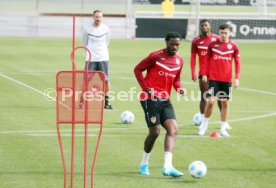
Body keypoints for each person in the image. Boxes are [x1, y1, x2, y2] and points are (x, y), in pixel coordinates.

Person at [134, 32, 185, 177]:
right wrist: (145, 88)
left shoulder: (179, 61)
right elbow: (137, 69)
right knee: (155, 131)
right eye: (172, 44)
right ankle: (144, 163)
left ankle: (167, 166)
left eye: (177, 44)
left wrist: (179, 88)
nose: (175, 47)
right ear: (166, 42)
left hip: (165, 99)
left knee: (173, 129)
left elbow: (176, 79)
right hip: (149, 98)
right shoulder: (155, 56)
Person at [198, 23, 241, 137]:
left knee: (225, 103)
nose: (223, 35)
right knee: (211, 102)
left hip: (226, 80)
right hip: (214, 78)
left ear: (229, 33)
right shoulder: (212, 45)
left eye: (225, 33)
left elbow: (237, 63)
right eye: (221, 33)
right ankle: (204, 125)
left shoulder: (234, 47)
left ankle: (223, 128)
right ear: (218, 33)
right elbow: (206, 60)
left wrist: (237, 78)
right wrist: (204, 74)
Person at [190, 19, 228, 126]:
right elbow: (193, 57)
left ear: (210, 26)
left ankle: (223, 121)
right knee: (205, 96)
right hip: (204, 73)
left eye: (206, 25)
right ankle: (202, 119)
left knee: (221, 97)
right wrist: (193, 72)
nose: (204, 27)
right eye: (202, 26)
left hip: (217, 73)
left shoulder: (217, 38)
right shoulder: (196, 41)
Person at [83, 9, 113, 109]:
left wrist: (101, 53)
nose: (98, 19)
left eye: (100, 17)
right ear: (93, 17)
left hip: (103, 58)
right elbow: (85, 43)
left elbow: (107, 42)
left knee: (106, 81)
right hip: (90, 58)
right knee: (86, 80)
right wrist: (90, 53)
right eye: (96, 17)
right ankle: (83, 101)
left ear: (102, 18)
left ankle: (107, 103)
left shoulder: (106, 29)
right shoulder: (87, 29)